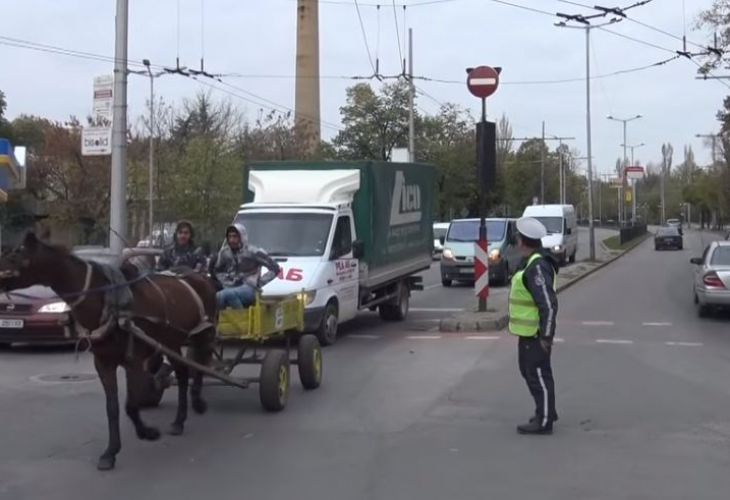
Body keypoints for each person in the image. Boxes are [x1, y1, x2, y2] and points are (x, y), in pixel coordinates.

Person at [508, 216, 560, 435]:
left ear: (523, 241)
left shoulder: (537, 266)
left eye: (519, 238)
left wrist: (546, 336)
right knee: (529, 371)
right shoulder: (532, 262)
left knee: (538, 374)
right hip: (527, 333)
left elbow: (548, 304)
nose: (517, 241)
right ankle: (545, 410)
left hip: (536, 333)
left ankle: (544, 420)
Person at [213, 223, 281, 309]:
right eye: (229, 237)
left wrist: (260, 282)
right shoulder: (225, 252)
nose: (231, 240)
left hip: (249, 287)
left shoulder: (253, 252)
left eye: (235, 237)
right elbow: (218, 270)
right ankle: (224, 320)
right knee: (218, 296)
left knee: (223, 295)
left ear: (242, 237)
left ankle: (240, 319)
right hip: (231, 285)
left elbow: (275, 268)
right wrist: (225, 281)